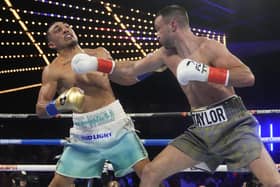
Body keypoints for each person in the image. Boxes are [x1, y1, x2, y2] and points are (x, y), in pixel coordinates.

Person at [70, 4, 280, 187]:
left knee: (273, 181)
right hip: (201, 130)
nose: (155, 35)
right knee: (151, 173)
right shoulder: (165, 54)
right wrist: (97, 63)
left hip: (233, 124)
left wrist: (205, 72)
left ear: (172, 25)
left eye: (157, 29)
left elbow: (246, 76)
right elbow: (131, 69)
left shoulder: (209, 47)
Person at [35, 21, 150, 187]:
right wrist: (59, 104)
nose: (66, 29)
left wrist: (153, 68)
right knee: (57, 185)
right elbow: (40, 109)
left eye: (67, 26)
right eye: (58, 30)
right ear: (52, 44)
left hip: (116, 127)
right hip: (84, 135)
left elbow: (125, 77)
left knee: (149, 175)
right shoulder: (52, 70)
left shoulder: (99, 53)